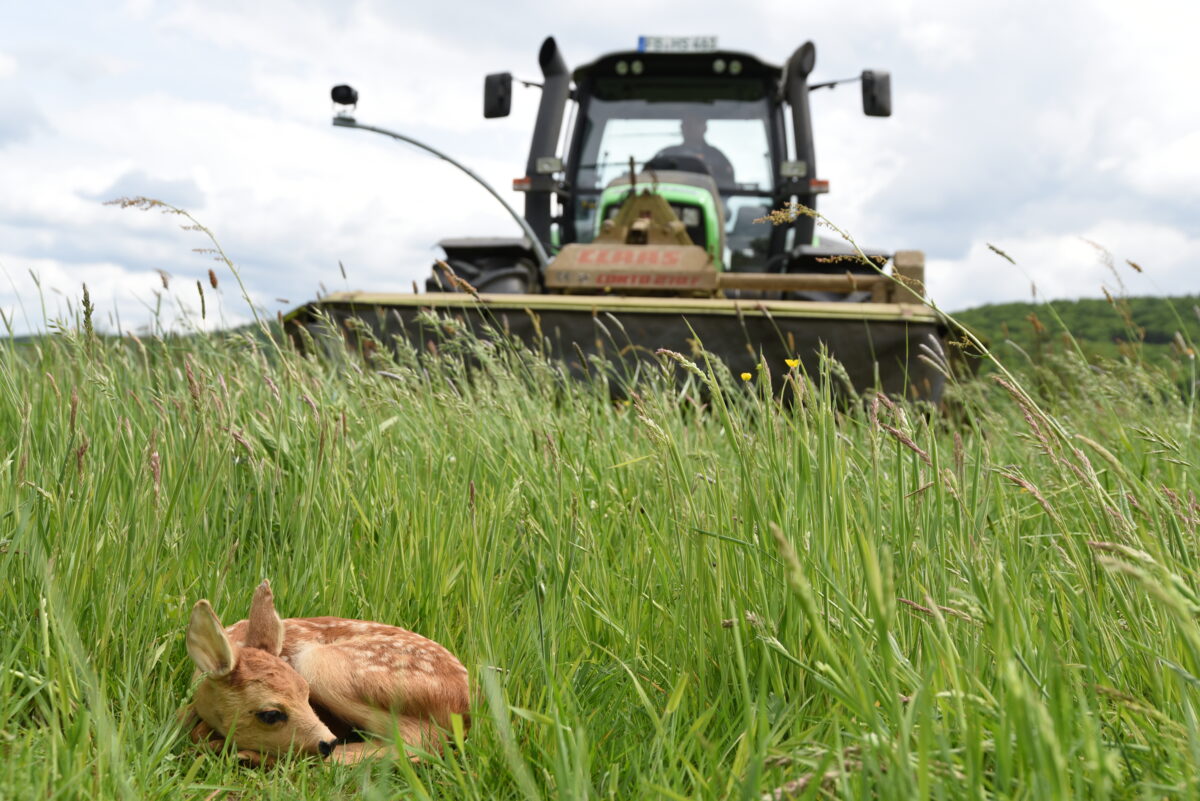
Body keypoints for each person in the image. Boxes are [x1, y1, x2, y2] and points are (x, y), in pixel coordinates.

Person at [654, 118, 736, 188]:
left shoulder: (717, 157)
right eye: (687, 124)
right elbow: (648, 178)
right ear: (682, 127)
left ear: (705, 127)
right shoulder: (666, 155)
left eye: (695, 123)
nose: (690, 128)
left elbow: (729, 186)